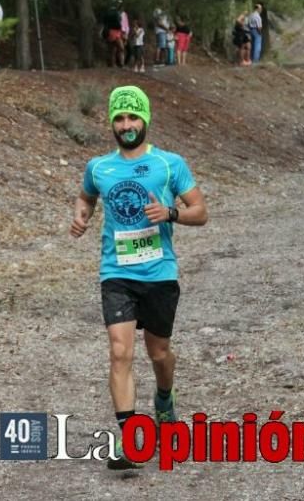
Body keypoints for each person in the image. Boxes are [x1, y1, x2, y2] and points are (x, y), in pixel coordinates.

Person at [70, 85, 208, 470]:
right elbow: (86, 197)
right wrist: (81, 214)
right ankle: (131, 440)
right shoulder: (98, 167)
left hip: (160, 272)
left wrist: (172, 213)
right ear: (111, 122)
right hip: (116, 273)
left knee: (158, 354)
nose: (126, 125)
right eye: (119, 118)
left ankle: (164, 398)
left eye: (133, 117)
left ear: (145, 119)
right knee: (120, 351)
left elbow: (201, 210)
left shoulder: (169, 164)